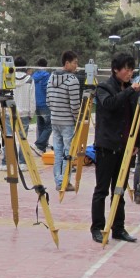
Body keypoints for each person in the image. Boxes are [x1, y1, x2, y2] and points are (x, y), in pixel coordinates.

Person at [90, 53, 140, 244]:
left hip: (125, 147)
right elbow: (109, 104)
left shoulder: (131, 90)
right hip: (106, 146)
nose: (129, 73)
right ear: (115, 70)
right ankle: (97, 227)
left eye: (131, 69)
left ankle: (118, 228)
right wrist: (130, 91)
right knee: (102, 190)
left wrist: (135, 142)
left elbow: (137, 116)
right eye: (126, 69)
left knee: (119, 190)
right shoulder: (104, 87)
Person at [48, 52, 81, 192]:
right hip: (67, 121)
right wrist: (77, 118)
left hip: (55, 119)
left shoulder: (51, 77)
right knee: (68, 152)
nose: (76, 66)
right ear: (67, 64)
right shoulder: (72, 80)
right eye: (74, 62)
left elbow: (48, 100)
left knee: (58, 152)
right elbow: (75, 105)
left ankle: (59, 181)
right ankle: (65, 181)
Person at [0, 56, 35, 171]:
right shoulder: (29, 79)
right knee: (23, 139)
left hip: (9, 112)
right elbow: (32, 98)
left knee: (9, 138)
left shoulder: (8, 77)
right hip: (24, 113)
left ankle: (6, 162)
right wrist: (31, 113)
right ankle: (23, 162)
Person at [33, 58, 52, 153]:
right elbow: (47, 89)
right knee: (49, 126)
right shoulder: (47, 76)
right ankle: (40, 145)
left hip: (36, 103)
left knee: (41, 125)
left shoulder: (34, 76)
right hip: (45, 103)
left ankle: (41, 148)